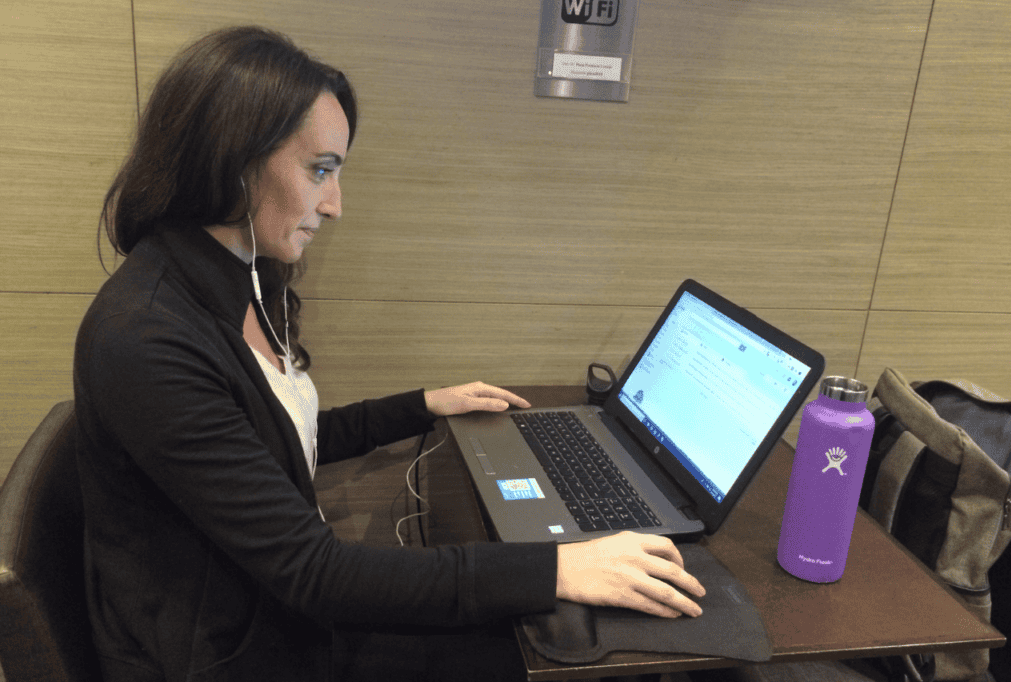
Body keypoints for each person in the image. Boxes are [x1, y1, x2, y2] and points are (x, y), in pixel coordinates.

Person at [73, 25, 705, 682]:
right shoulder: (146, 338)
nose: (335, 204)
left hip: (271, 597)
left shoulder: (239, 271)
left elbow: (277, 438)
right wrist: (560, 568)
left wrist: (423, 405)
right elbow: (315, 573)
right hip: (232, 649)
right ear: (231, 160)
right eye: (320, 170)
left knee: (550, 618)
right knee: (545, 645)